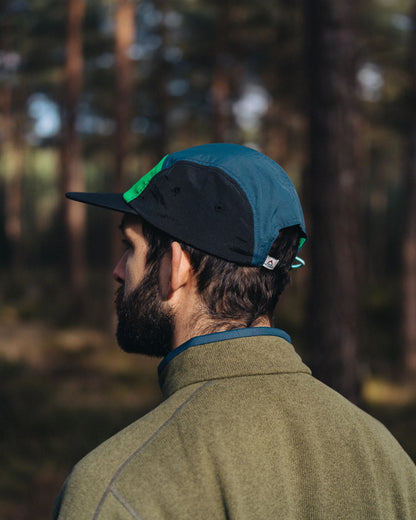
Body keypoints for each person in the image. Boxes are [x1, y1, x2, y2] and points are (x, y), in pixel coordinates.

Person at [54, 143, 415, 520]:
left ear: (176, 267)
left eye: (130, 247)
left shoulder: (116, 491)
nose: (118, 269)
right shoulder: (390, 462)